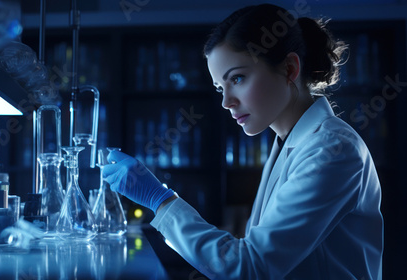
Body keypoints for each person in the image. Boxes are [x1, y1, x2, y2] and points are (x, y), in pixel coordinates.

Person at [103, 4, 383, 279]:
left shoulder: (332, 150)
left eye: (237, 78)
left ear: (289, 68)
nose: (226, 102)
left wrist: (160, 200)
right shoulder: (288, 142)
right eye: (219, 87)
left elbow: (251, 268)